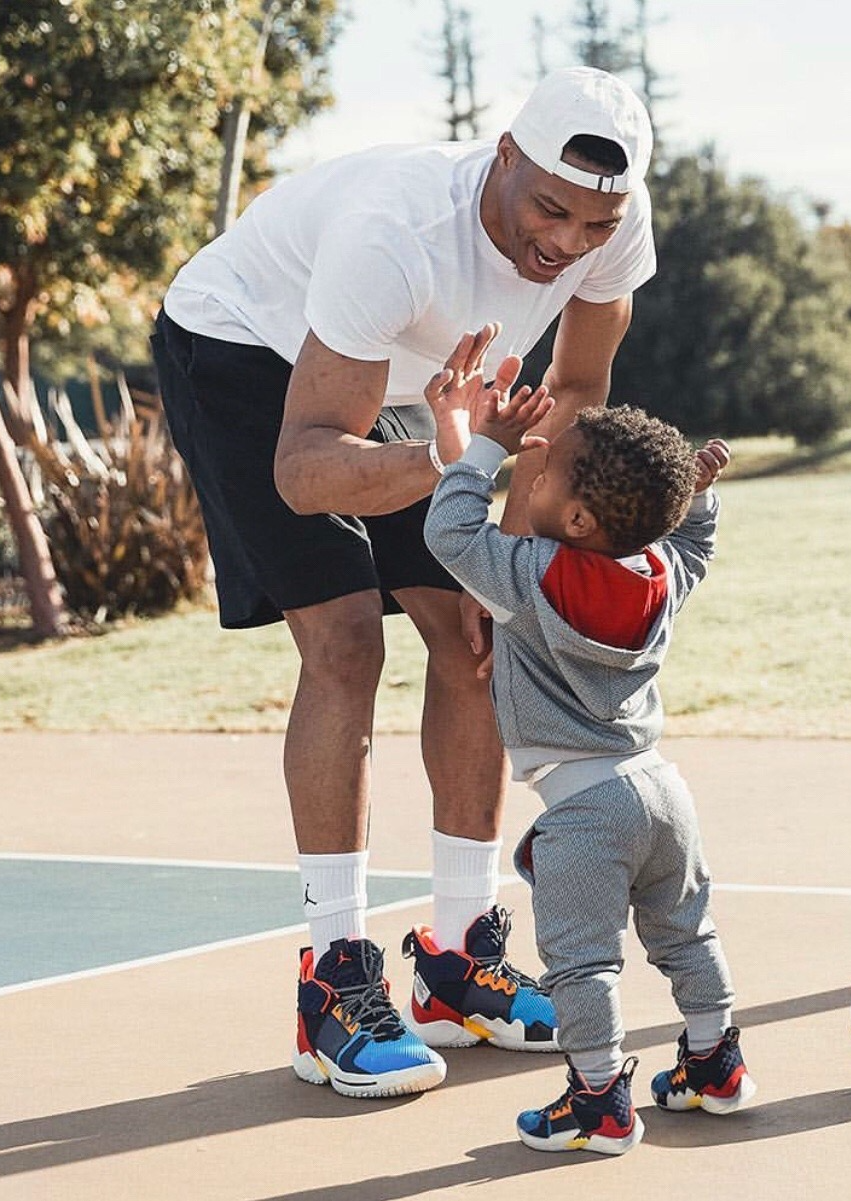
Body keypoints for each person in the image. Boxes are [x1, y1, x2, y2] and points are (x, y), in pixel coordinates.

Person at [148, 67, 657, 1099]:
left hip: (407, 379)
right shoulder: (398, 233)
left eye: (592, 224)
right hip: (249, 350)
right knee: (347, 640)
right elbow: (303, 469)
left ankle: (457, 959)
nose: (564, 243)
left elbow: (578, 391)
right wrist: (452, 463)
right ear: (503, 156)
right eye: (548, 210)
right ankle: (332, 979)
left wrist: (499, 562)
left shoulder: (617, 222)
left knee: (477, 640)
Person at [421, 355, 756, 1154]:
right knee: (687, 933)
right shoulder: (656, 570)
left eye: (545, 473)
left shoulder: (531, 578)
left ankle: (601, 1100)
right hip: (662, 791)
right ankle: (715, 1063)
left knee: (583, 965)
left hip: (584, 809)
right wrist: (698, 498)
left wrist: (483, 448)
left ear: (575, 520)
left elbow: (447, 531)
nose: (530, 475)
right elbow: (696, 548)